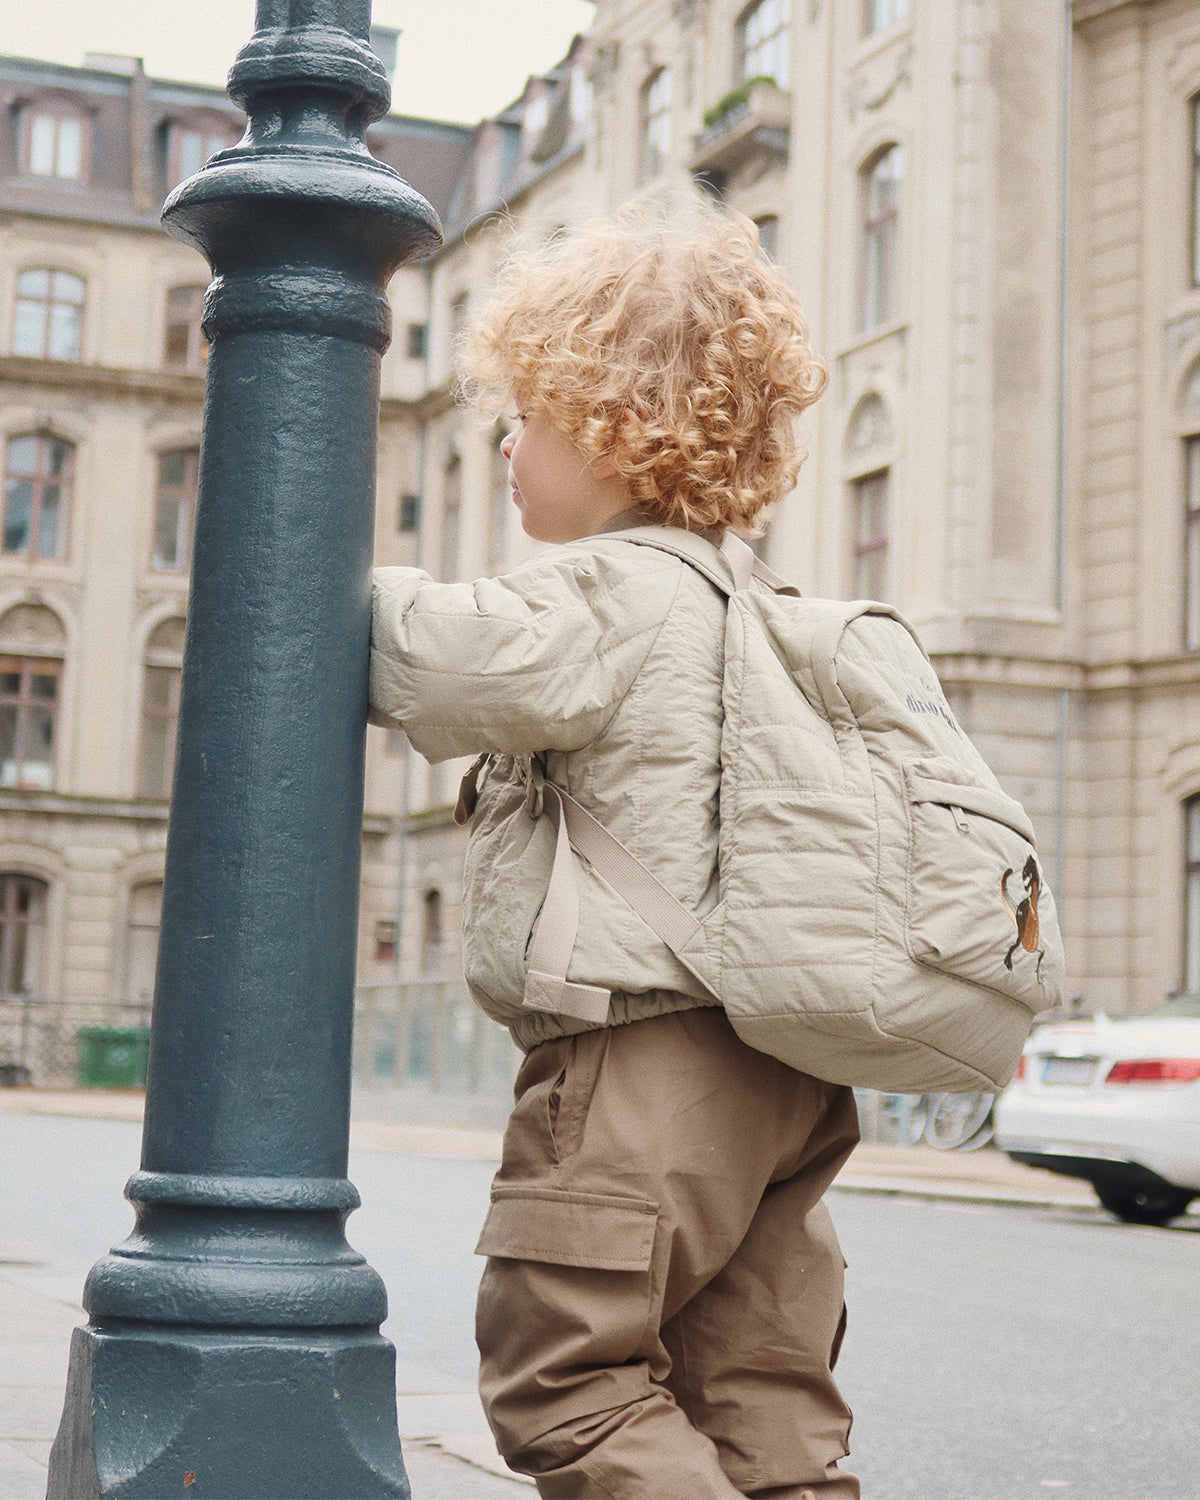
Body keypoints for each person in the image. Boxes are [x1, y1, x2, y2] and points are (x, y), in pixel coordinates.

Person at [369, 200, 860, 1499]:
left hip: (644, 1066)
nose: (509, 443)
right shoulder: (755, 595)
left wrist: (286, 551)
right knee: (764, 1413)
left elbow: (416, 652)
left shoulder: (608, 591)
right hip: (787, 1076)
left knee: (569, 1387)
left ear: (623, 423)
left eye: (530, 413)